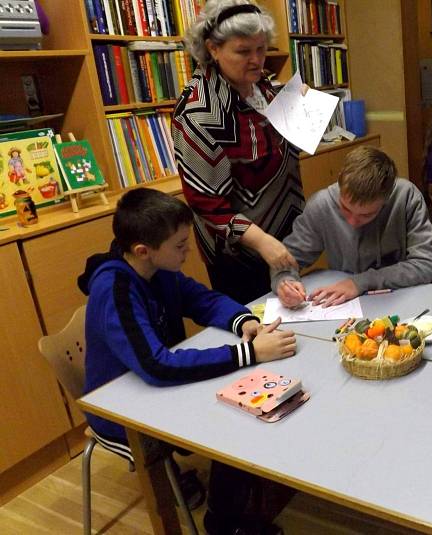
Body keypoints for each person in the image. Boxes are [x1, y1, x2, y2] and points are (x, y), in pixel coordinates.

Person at [78, 188, 298, 535]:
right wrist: (248, 354)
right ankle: (224, 524)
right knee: (236, 418)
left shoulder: (156, 269)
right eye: (180, 245)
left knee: (248, 403)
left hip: (154, 386)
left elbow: (202, 300)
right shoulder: (115, 289)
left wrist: (244, 322)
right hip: (121, 410)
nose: (189, 250)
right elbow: (156, 365)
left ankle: (240, 503)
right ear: (143, 251)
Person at [173, 0, 304, 305]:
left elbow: (284, 147)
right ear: (213, 49)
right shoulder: (198, 111)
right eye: (244, 51)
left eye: (261, 48)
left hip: (286, 230)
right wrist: (262, 241)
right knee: (259, 327)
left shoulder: (264, 85)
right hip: (238, 253)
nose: (257, 60)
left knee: (297, 314)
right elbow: (207, 203)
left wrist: (301, 108)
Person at [273, 146, 432, 308]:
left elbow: (426, 264)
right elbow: (286, 261)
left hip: (402, 299)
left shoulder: (406, 196)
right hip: (346, 306)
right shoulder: (322, 205)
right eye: (345, 208)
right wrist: (285, 282)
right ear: (340, 181)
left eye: (366, 215)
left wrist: (361, 282)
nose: (352, 222)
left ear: (387, 198)